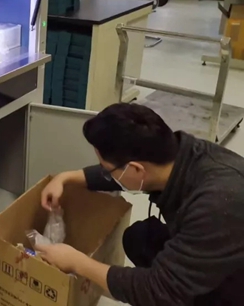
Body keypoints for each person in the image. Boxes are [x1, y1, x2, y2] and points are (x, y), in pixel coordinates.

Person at [38, 103, 244, 306]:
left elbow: (159, 291)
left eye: (107, 170)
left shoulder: (217, 204)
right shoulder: (182, 154)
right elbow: (125, 173)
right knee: (140, 238)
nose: (107, 174)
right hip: (219, 248)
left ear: (136, 169)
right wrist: (66, 178)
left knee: (163, 291)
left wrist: (78, 263)